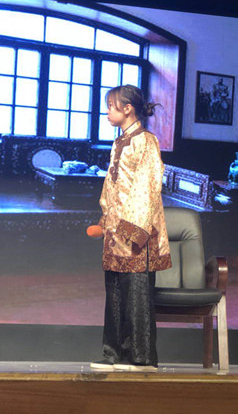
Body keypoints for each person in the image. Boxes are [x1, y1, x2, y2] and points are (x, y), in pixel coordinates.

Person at [89, 84, 172, 372]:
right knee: (114, 292)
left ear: (128, 108)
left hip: (136, 231)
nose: (107, 112)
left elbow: (147, 186)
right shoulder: (118, 142)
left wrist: (132, 228)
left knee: (136, 295)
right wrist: (106, 217)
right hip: (115, 230)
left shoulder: (146, 140)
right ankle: (113, 354)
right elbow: (110, 184)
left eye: (111, 106)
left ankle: (141, 357)